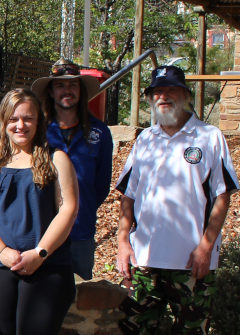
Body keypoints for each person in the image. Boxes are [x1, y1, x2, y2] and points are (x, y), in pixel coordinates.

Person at [115, 65, 238, 334]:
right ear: (150, 98)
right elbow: (129, 196)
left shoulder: (209, 137)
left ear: (185, 95)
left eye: (171, 90)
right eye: (157, 91)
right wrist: (123, 242)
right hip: (144, 261)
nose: (163, 96)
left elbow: (221, 196)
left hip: (192, 263)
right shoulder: (145, 139)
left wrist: (206, 246)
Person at [0, 89, 79, 334]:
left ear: (39, 122)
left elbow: (68, 209)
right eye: (13, 119)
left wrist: (40, 253)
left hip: (47, 267)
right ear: (3, 122)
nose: (21, 125)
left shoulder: (56, 159)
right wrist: (2, 252)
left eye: (28, 118)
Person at [30, 59, 113, 280]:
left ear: (81, 90)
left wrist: (76, 208)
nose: (67, 91)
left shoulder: (100, 132)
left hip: (80, 232)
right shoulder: (37, 132)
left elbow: (101, 186)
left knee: (80, 299)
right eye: (60, 85)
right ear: (50, 91)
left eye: (73, 85)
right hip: (41, 231)